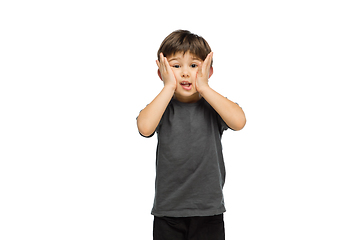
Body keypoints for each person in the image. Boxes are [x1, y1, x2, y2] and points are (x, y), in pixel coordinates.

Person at [137, 30, 246, 240]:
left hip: (208, 210)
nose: (185, 73)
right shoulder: (162, 106)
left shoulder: (213, 105)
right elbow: (145, 127)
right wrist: (168, 86)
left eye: (194, 66)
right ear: (162, 71)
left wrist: (204, 87)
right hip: (168, 212)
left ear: (208, 70)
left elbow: (239, 121)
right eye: (176, 66)